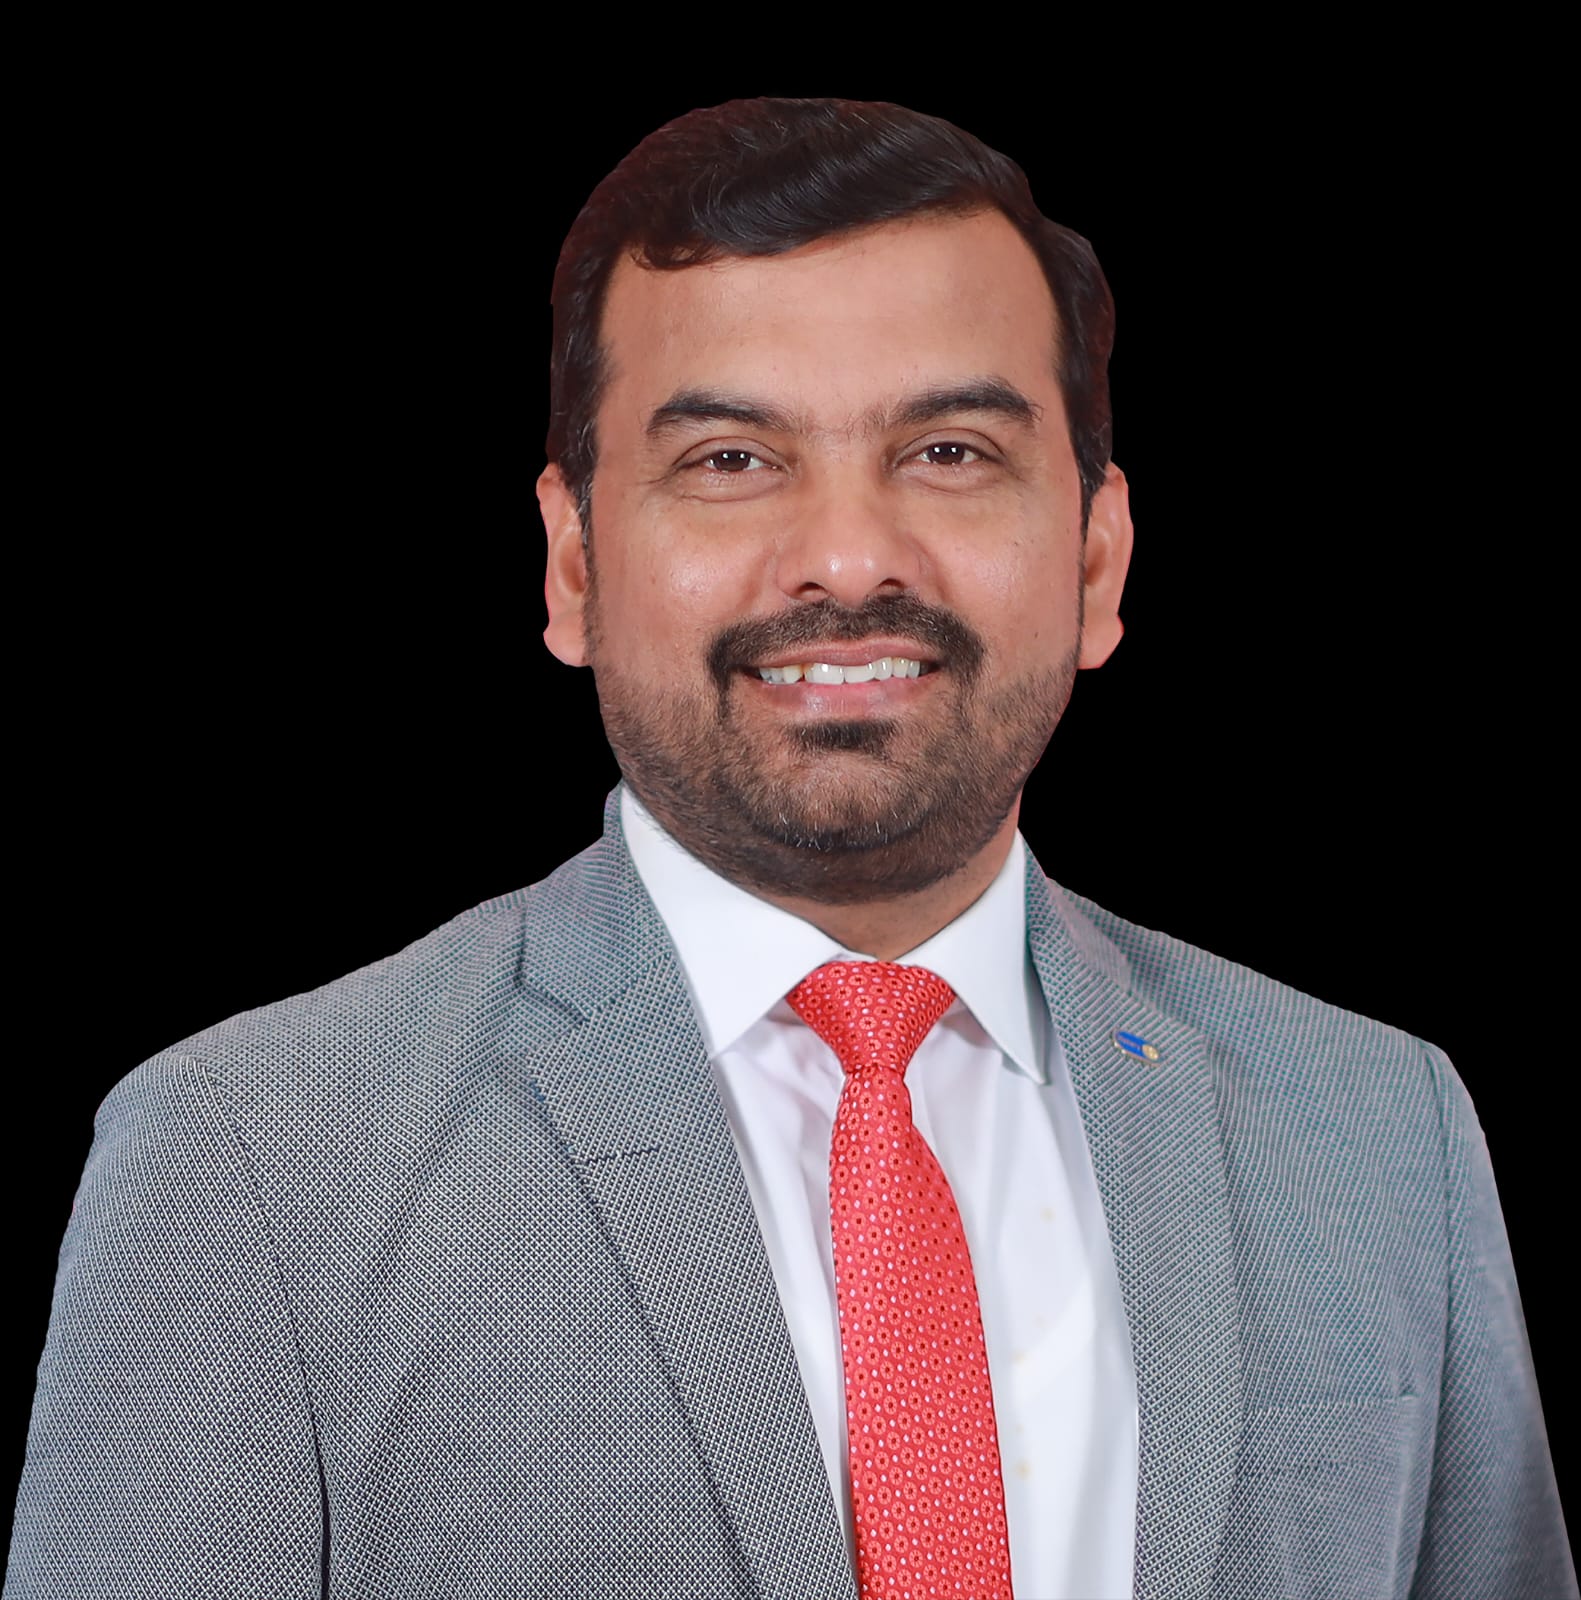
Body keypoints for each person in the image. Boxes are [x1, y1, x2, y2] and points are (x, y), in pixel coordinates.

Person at [7, 95, 1571, 1600]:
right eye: (731, 461)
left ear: (1097, 560)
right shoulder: (254, 1161)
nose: (843, 557)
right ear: (572, 565)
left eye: (948, 451)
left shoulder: (1377, 1132)